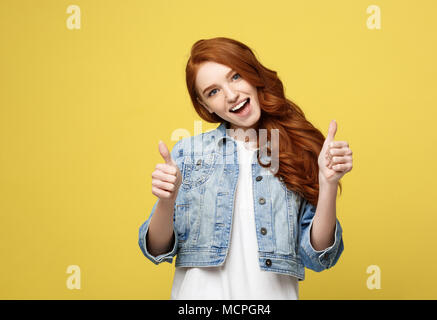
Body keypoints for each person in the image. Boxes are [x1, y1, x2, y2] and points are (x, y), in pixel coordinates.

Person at [138, 37, 353, 300]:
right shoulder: (189, 153)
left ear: (253, 74)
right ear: (205, 105)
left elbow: (319, 255)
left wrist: (328, 183)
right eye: (213, 92)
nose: (231, 95)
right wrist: (166, 202)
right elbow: (157, 249)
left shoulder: (297, 152)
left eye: (236, 76)